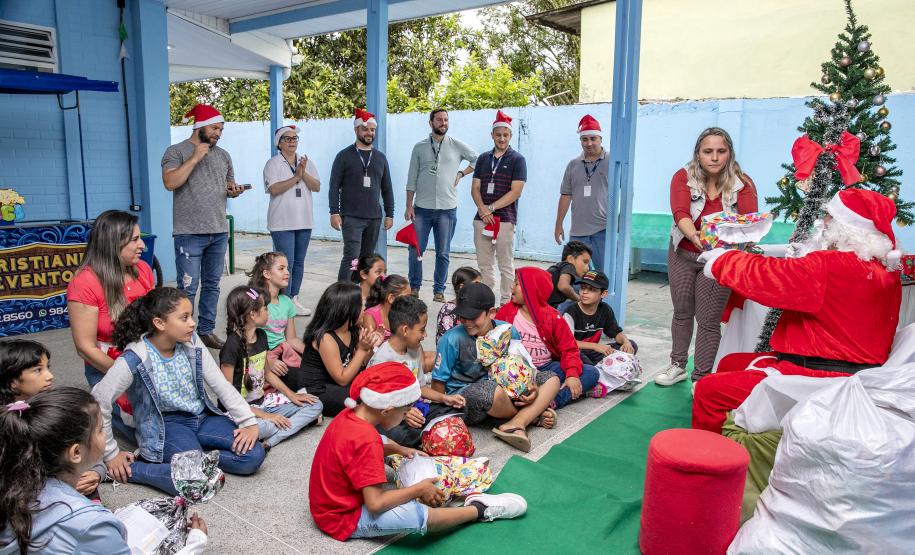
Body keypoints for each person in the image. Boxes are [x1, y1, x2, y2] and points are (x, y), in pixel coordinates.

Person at [692, 189, 902, 434]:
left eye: (829, 217)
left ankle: (710, 462)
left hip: (816, 374)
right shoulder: (883, 270)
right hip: (849, 368)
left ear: (846, 227)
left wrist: (723, 260)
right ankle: (737, 437)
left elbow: (770, 277)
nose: (823, 222)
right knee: (730, 362)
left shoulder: (831, 265)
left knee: (709, 391)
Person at [308, 361, 527, 541]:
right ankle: (479, 510)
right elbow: (375, 504)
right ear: (387, 409)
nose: (406, 415)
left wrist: (399, 449)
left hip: (325, 506)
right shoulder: (367, 440)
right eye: (405, 410)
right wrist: (419, 489)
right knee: (413, 515)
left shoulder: (349, 415)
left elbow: (359, 447)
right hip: (340, 519)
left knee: (384, 444)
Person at [92, 287, 265, 496]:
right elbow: (99, 399)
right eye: (184, 318)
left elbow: (220, 384)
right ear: (159, 323)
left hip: (202, 418)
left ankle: (196, 457)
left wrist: (248, 422)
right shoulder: (135, 356)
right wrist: (111, 454)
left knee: (253, 456)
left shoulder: (191, 342)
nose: (192, 323)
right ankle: (135, 469)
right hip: (167, 426)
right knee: (194, 478)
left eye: (191, 316)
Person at [0, 388, 208, 554]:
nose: (106, 435)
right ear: (75, 453)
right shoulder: (91, 525)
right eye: (100, 430)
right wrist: (196, 542)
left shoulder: (11, 483)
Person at [655, 127, 758, 387]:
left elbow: (748, 223)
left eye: (720, 151)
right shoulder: (683, 177)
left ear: (729, 154)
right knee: (682, 311)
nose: (714, 157)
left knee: (708, 320)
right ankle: (677, 365)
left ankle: (701, 377)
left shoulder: (743, 183)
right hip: (683, 252)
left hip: (718, 260)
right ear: (698, 154)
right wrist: (695, 237)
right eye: (708, 151)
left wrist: (726, 244)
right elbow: (680, 213)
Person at [433, 282, 560, 453]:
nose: (467, 322)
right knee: (489, 390)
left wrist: (533, 389)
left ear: (491, 313)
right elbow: (438, 384)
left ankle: (517, 422)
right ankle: (529, 417)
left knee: (552, 378)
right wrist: (441, 414)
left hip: (508, 393)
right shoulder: (452, 339)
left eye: (473, 316)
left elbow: (524, 367)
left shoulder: (508, 331)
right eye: (462, 316)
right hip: (467, 401)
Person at [162, 104, 246, 349]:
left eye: (221, 129)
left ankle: (206, 330)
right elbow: (170, 182)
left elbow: (228, 186)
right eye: (214, 127)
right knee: (188, 288)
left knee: (212, 285)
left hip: (218, 230)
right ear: (199, 126)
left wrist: (234, 191)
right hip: (188, 232)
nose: (218, 133)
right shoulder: (175, 151)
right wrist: (196, 157)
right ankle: (182, 334)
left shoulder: (223, 155)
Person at [67, 209, 154, 437]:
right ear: (113, 242)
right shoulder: (84, 282)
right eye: (135, 239)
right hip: (108, 368)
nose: (142, 245)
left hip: (146, 358)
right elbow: (85, 348)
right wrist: (128, 376)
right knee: (151, 432)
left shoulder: (143, 270)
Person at [0, 340, 107, 501]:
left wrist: (97, 472)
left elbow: (90, 445)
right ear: (12, 381)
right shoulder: (7, 423)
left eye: (47, 368)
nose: (50, 376)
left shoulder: (57, 409)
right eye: (38, 370)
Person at [220, 286, 323, 451]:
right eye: (265, 308)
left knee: (315, 404)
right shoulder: (231, 347)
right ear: (253, 315)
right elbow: (228, 398)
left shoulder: (262, 336)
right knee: (260, 427)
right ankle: (272, 430)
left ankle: (270, 440)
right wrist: (269, 416)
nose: (268, 312)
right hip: (240, 412)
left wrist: (292, 394)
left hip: (264, 403)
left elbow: (267, 373)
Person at [496, 267, 600, 412]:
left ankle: (553, 401)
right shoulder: (506, 312)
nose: (511, 286)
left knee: (591, 372)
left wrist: (572, 375)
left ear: (531, 289)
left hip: (546, 368)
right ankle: (545, 399)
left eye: (517, 283)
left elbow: (569, 349)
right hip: (516, 371)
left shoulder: (553, 317)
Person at [368, 296, 466, 447]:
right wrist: (404, 413)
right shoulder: (381, 360)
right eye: (422, 329)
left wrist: (445, 398)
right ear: (405, 330)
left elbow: (419, 388)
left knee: (458, 408)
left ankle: (427, 432)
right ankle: (428, 433)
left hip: (416, 410)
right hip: (390, 418)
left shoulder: (413, 350)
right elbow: (375, 404)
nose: (425, 335)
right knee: (395, 433)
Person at [404, 109, 479, 302]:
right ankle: (414, 287)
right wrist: (408, 205)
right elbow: (412, 177)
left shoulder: (456, 145)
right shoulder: (419, 147)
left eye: (446, 119)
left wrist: (462, 173)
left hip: (447, 209)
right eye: (439, 119)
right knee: (416, 250)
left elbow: (477, 159)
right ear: (431, 123)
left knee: (443, 253)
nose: (443, 123)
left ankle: (439, 290)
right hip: (421, 208)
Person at [283, 282, 382, 416]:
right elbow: (342, 379)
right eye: (362, 306)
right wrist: (362, 350)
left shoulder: (352, 329)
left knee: (375, 384)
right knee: (362, 397)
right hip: (318, 389)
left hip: (337, 383)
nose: (365, 310)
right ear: (347, 310)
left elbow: (361, 364)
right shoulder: (326, 338)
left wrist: (372, 346)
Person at [329, 109, 394, 281]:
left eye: (372, 130)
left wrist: (390, 214)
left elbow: (387, 188)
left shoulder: (380, 158)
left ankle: (359, 294)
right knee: (352, 258)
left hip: (374, 217)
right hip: (351, 217)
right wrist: (334, 212)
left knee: (366, 260)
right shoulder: (343, 156)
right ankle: (342, 296)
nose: (369, 133)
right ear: (356, 130)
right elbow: (334, 187)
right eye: (365, 129)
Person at [263, 125, 320, 316]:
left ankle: (293, 298)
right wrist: (296, 177)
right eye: (287, 139)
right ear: (279, 143)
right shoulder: (273, 164)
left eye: (294, 138)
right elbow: (274, 189)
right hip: (282, 223)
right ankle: (282, 302)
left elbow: (317, 186)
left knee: (299, 263)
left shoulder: (305, 162)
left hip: (304, 221)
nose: (292, 141)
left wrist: (303, 173)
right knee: (285, 264)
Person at [471, 110, 527, 304]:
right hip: (482, 220)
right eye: (498, 134)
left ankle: (506, 302)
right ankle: (487, 302)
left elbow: (516, 191)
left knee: (505, 264)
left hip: (504, 220)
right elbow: (475, 187)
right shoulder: (483, 159)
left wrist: (490, 208)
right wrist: (482, 209)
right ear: (492, 135)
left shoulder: (518, 160)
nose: (501, 138)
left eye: (505, 135)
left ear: (510, 136)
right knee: (484, 264)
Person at [554, 115, 611, 272]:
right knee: (574, 274)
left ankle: (603, 298)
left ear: (600, 138)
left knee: (603, 273)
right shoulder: (573, 165)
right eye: (584, 139)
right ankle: (576, 297)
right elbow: (566, 195)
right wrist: (558, 224)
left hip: (603, 228)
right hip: (578, 231)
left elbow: (624, 191)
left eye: (593, 138)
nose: (589, 143)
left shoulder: (612, 162)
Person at [247, 252, 306, 376]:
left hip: (283, 350)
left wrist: (312, 354)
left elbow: (292, 338)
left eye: (287, 268)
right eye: (281, 269)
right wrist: (267, 361)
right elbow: (246, 339)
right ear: (266, 274)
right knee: (301, 378)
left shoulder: (287, 302)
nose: (287, 272)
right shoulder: (255, 301)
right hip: (262, 354)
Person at [562, 270, 637, 366]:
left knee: (631, 345)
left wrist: (626, 342)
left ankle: (603, 367)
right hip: (576, 352)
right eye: (583, 288)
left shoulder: (605, 309)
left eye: (591, 289)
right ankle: (600, 369)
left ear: (603, 293)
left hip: (594, 352)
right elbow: (567, 343)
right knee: (582, 359)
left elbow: (616, 332)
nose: (584, 292)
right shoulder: (571, 312)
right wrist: (596, 346)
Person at [437, 266, 481, 343]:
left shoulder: (476, 306)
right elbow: (448, 340)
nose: (480, 288)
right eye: (476, 284)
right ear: (462, 287)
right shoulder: (449, 310)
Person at [361, 274, 410, 341]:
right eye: (407, 298)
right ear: (391, 298)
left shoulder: (405, 314)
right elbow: (370, 347)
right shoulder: (370, 316)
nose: (410, 302)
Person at [546, 241, 593, 310]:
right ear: (570, 259)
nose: (588, 268)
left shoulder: (560, 269)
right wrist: (579, 299)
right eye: (585, 262)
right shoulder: (569, 266)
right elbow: (563, 287)